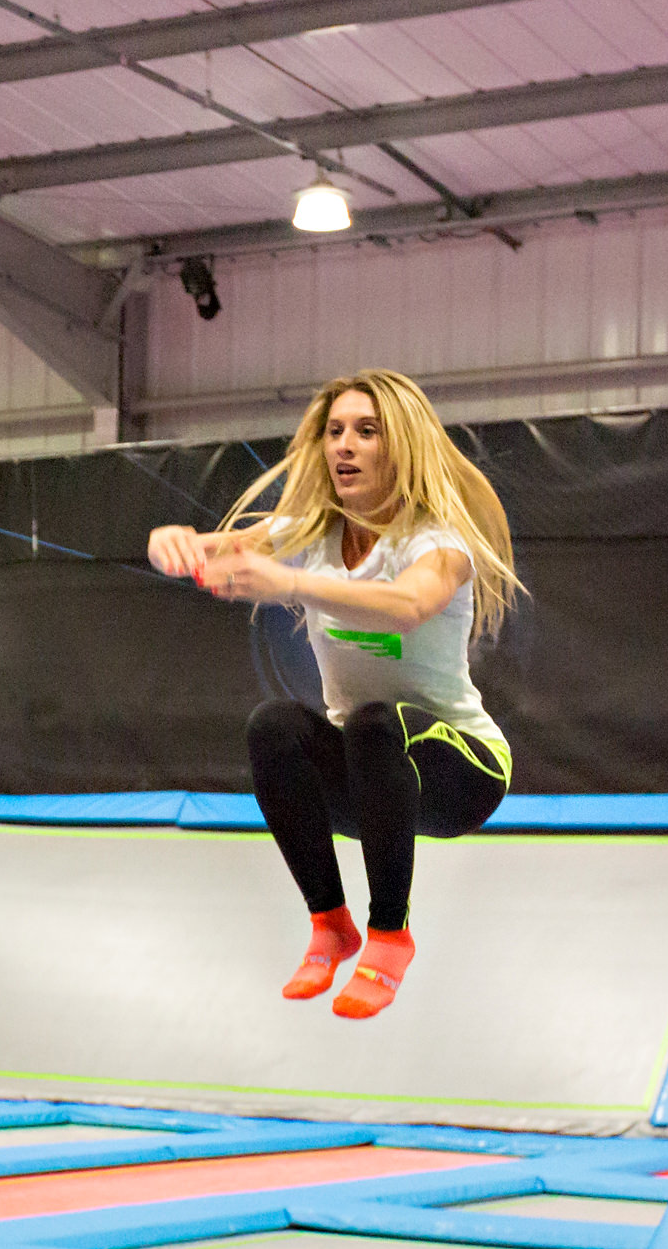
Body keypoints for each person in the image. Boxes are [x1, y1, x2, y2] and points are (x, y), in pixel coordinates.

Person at [148, 369, 522, 1019]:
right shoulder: (309, 531)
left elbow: (407, 605)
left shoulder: (440, 543)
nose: (344, 445)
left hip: (461, 775)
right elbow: (201, 550)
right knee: (275, 725)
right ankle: (330, 921)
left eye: (366, 431)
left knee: (376, 722)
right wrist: (169, 543)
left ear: (400, 447)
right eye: (335, 431)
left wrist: (289, 585)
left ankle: (389, 933)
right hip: (369, 786)